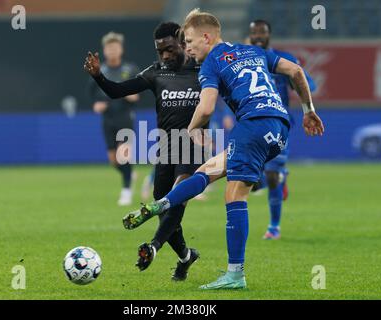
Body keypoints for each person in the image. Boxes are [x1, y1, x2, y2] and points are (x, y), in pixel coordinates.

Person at [124, 9, 324, 290]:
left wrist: (191, 130)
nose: (188, 48)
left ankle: (235, 274)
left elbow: (205, 109)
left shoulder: (211, 64)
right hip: (279, 128)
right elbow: (296, 70)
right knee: (210, 169)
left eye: (191, 41)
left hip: (253, 124)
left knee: (234, 195)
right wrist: (308, 111)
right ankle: (161, 204)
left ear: (207, 37)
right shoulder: (252, 51)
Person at [85, 22, 210, 280]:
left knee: (175, 198)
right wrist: (99, 76)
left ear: (182, 42)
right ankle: (186, 256)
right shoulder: (156, 72)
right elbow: (118, 91)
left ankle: (152, 246)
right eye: (159, 51)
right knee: (164, 207)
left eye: (169, 49)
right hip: (165, 147)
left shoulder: (203, 69)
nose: (164, 55)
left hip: (193, 146)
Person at [248, 19, 317, 240]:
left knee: (271, 174)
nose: (258, 36)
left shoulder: (284, 60)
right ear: (249, 35)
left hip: (279, 124)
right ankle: (278, 176)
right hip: (251, 122)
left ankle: (274, 227)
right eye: (254, 33)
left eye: (263, 32)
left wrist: (308, 107)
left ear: (269, 35)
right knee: (251, 174)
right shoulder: (245, 61)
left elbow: (306, 84)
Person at [88, 32, 140, 206]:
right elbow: (92, 93)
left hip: (125, 117)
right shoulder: (99, 70)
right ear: (104, 50)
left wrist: (132, 96)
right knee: (114, 160)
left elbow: (139, 91)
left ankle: (126, 191)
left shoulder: (130, 69)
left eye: (115, 47)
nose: (112, 51)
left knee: (123, 156)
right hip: (108, 120)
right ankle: (128, 173)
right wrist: (96, 104)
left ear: (121, 49)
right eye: (109, 48)